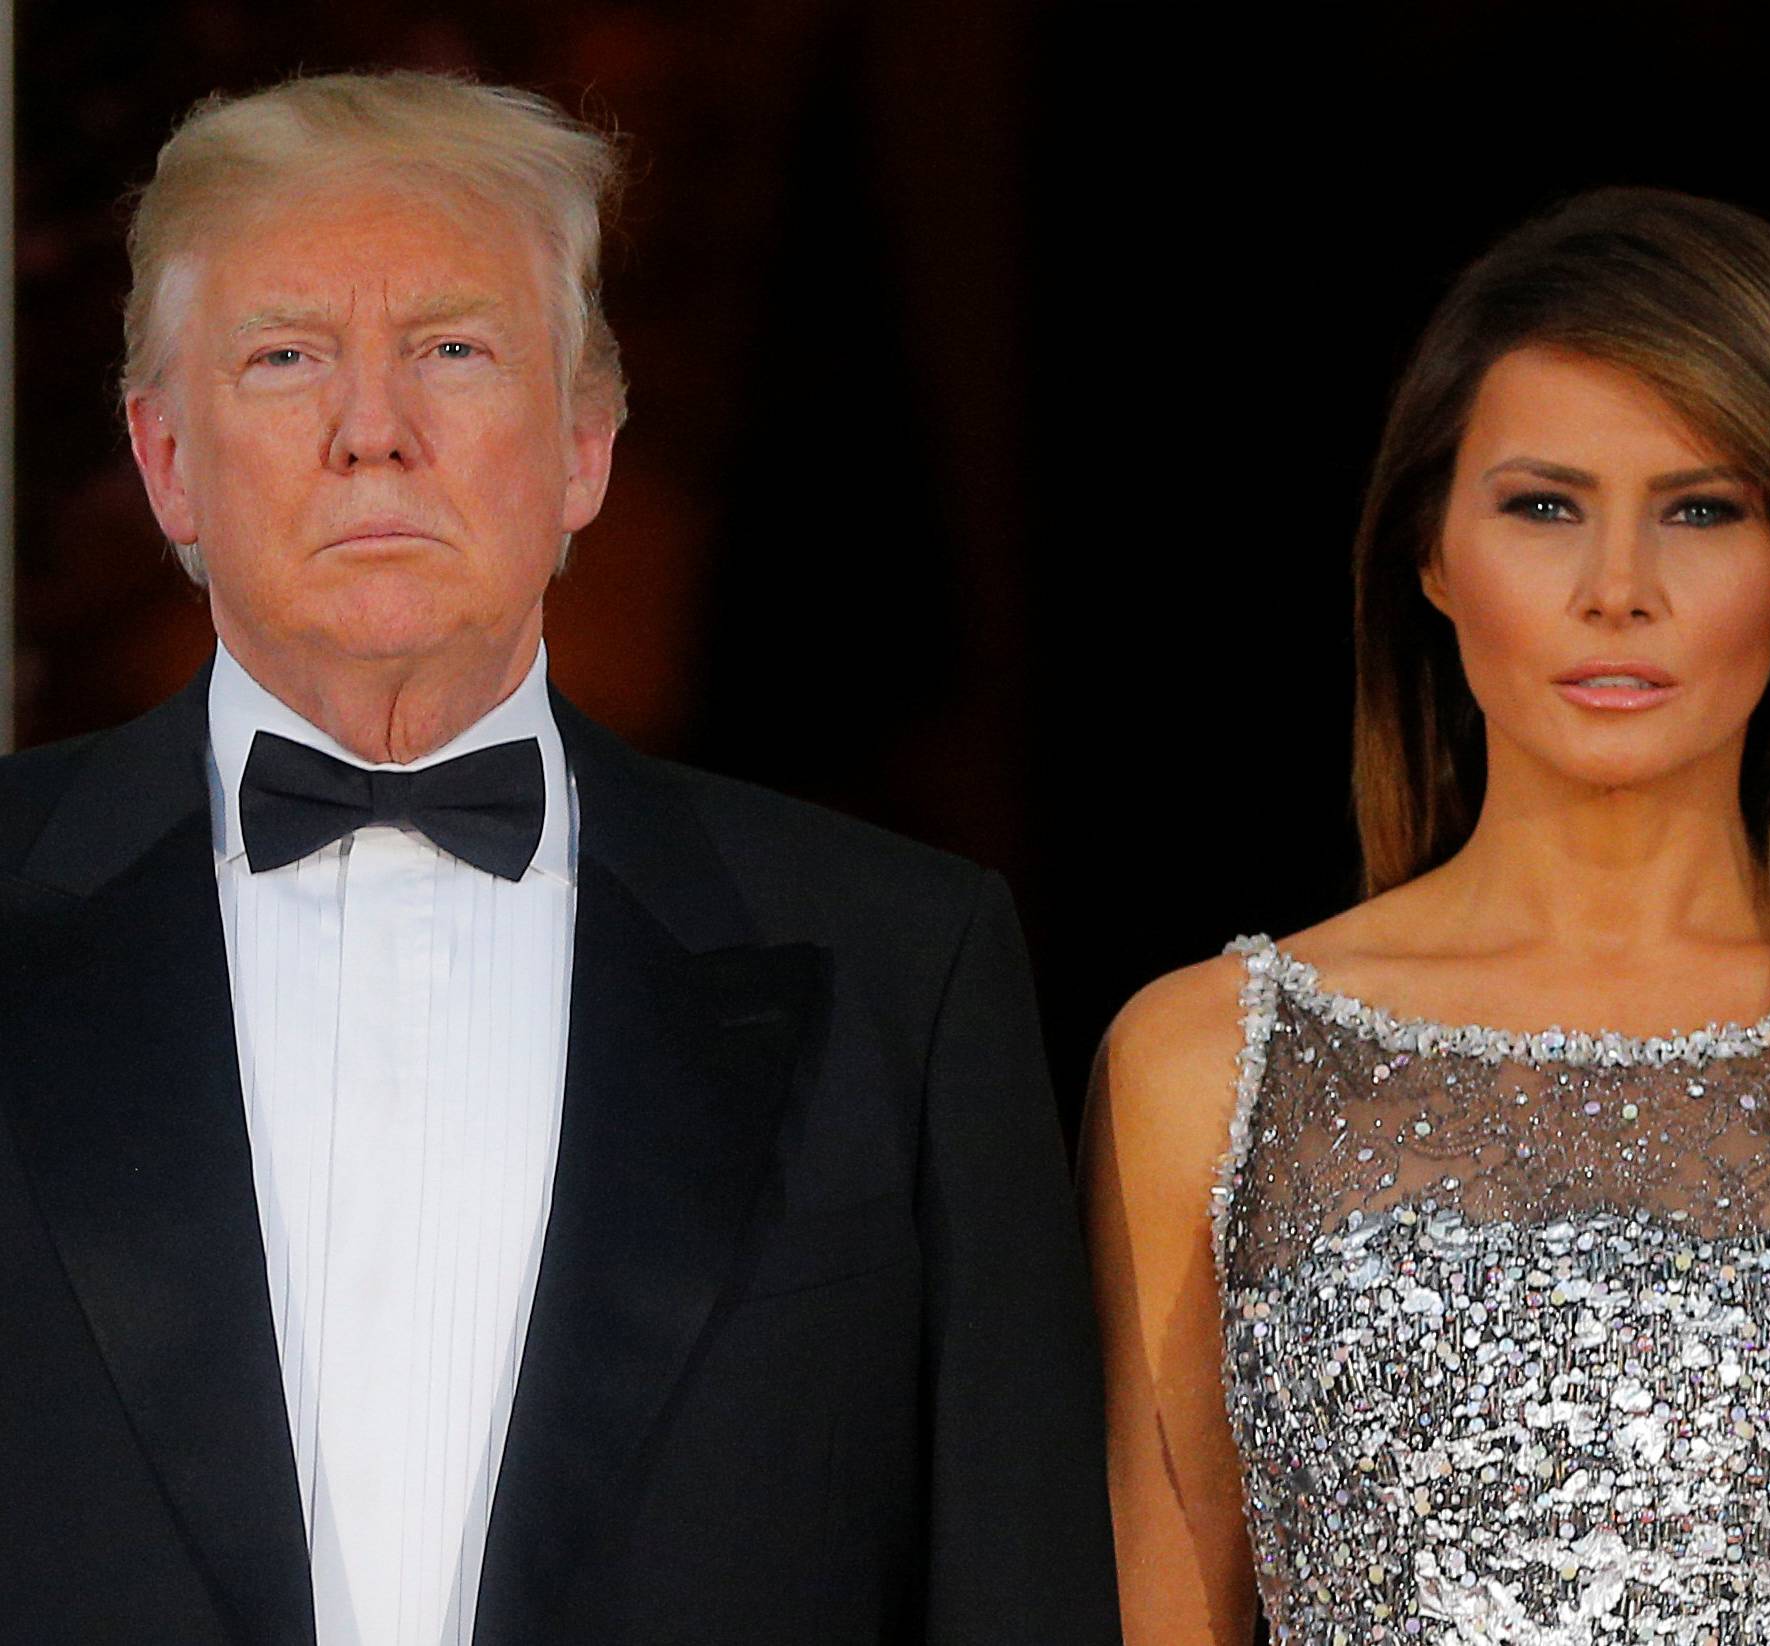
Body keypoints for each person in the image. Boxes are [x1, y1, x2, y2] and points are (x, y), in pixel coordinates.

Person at [0, 71, 1120, 1646]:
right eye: (285, 357)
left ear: (586, 443)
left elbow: (1014, 1586)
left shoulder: (903, 970)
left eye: (453, 350)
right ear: (166, 458)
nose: (371, 431)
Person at [1082, 186, 1770, 1642]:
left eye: (1702, 509)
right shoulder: (1209, 1062)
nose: (1618, 590)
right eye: (1545, 506)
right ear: (1430, 552)